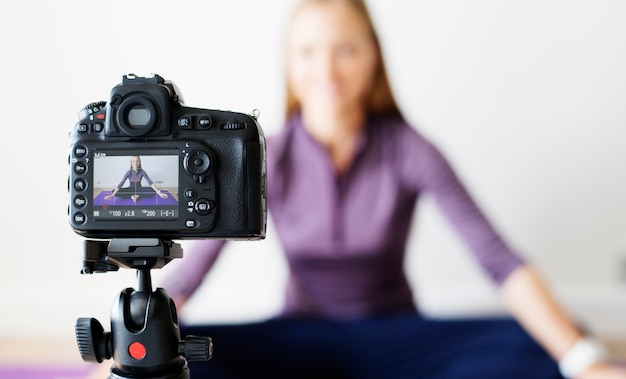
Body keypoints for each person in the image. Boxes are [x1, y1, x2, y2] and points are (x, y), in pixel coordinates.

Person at [159, 1, 626, 378]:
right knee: (178, 352)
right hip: (298, 339)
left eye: (345, 50)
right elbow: (190, 274)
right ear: (289, 63)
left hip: (396, 339)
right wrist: (135, 348)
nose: (327, 70)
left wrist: (583, 360)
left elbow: (498, 261)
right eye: (308, 52)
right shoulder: (263, 157)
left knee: (540, 343)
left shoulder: (411, 150)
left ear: (372, 57)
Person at [103, 155, 169, 203]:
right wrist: (112, 195)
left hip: (139, 189)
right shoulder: (128, 172)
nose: (135, 163)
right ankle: (133, 195)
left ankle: (136, 195)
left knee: (153, 190)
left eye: (137, 161)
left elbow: (150, 182)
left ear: (139, 162)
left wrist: (159, 193)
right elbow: (121, 184)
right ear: (131, 163)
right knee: (113, 191)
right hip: (130, 190)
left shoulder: (142, 171)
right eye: (133, 161)